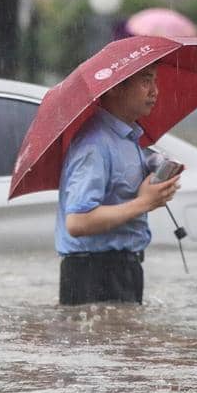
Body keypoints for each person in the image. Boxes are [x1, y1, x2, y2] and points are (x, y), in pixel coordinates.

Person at [56, 63, 181, 306]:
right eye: (145, 81)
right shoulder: (94, 145)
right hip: (93, 272)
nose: (155, 91)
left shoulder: (129, 138)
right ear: (115, 88)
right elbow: (77, 221)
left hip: (123, 267)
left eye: (155, 81)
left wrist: (157, 178)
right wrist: (144, 203)